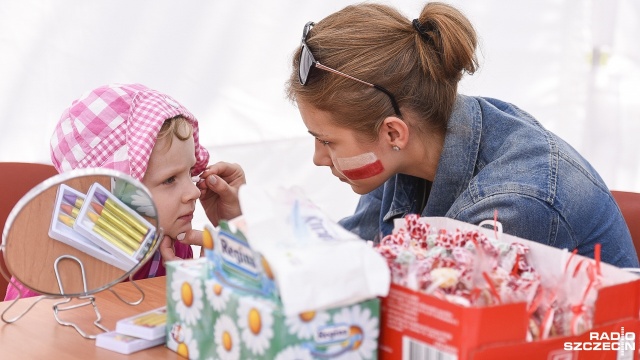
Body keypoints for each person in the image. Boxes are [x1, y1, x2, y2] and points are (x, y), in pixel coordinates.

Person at [281, 2, 638, 268]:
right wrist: (240, 228)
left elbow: (421, 319)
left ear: (393, 132)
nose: (318, 157)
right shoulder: (411, 135)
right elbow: (349, 260)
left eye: (327, 141)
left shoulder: (512, 206)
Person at [4, 83, 243, 300]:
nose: (194, 192)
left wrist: (196, 288)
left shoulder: (173, 245)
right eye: (170, 179)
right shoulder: (55, 263)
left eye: (190, 171)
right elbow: (26, 338)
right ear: (108, 193)